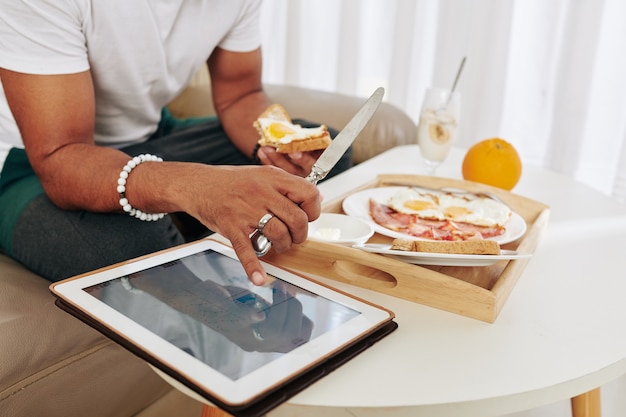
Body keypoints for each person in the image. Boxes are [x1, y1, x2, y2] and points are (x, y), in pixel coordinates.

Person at [0, 0, 352, 285]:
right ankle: (185, 214)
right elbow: (61, 156)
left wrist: (284, 147)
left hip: (147, 139)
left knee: (331, 152)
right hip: (30, 165)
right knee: (144, 255)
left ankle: (186, 212)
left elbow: (240, 94)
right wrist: (198, 187)